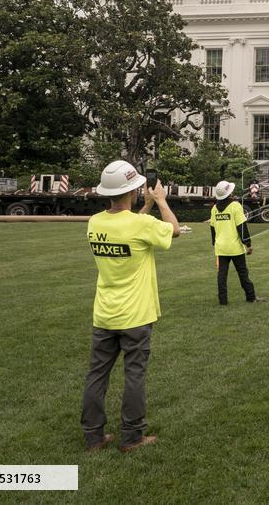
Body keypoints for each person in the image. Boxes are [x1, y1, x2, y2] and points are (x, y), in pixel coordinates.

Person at [82, 160, 180, 453]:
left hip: (105, 313)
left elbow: (127, 224)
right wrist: (160, 201)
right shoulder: (141, 224)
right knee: (134, 374)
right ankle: (133, 436)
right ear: (134, 190)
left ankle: (93, 436)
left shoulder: (96, 222)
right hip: (136, 315)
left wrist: (146, 206)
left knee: (97, 374)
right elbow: (173, 230)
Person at [210, 180, 263, 305]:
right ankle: (251, 297)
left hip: (221, 248)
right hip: (235, 248)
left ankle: (223, 301)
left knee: (222, 275)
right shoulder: (235, 206)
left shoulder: (214, 209)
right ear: (229, 193)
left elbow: (212, 229)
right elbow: (242, 227)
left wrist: (214, 244)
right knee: (243, 273)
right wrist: (248, 244)